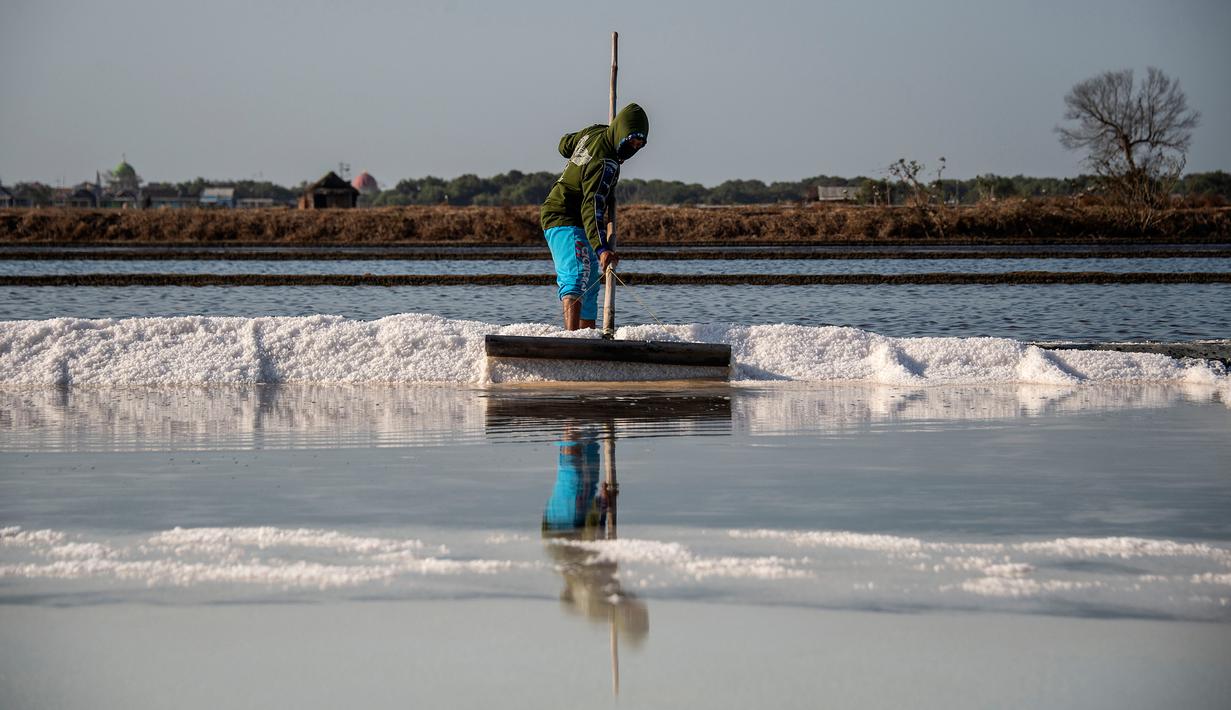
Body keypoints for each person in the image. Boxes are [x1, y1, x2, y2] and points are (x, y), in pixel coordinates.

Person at [540, 103, 649, 330]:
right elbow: (592, 206)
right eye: (631, 142)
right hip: (564, 215)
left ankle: (586, 338)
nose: (633, 148)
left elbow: (564, 145)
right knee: (578, 275)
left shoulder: (594, 132)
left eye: (639, 145)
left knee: (590, 283)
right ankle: (572, 340)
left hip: (580, 221)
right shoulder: (605, 164)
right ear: (620, 134)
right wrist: (601, 248)